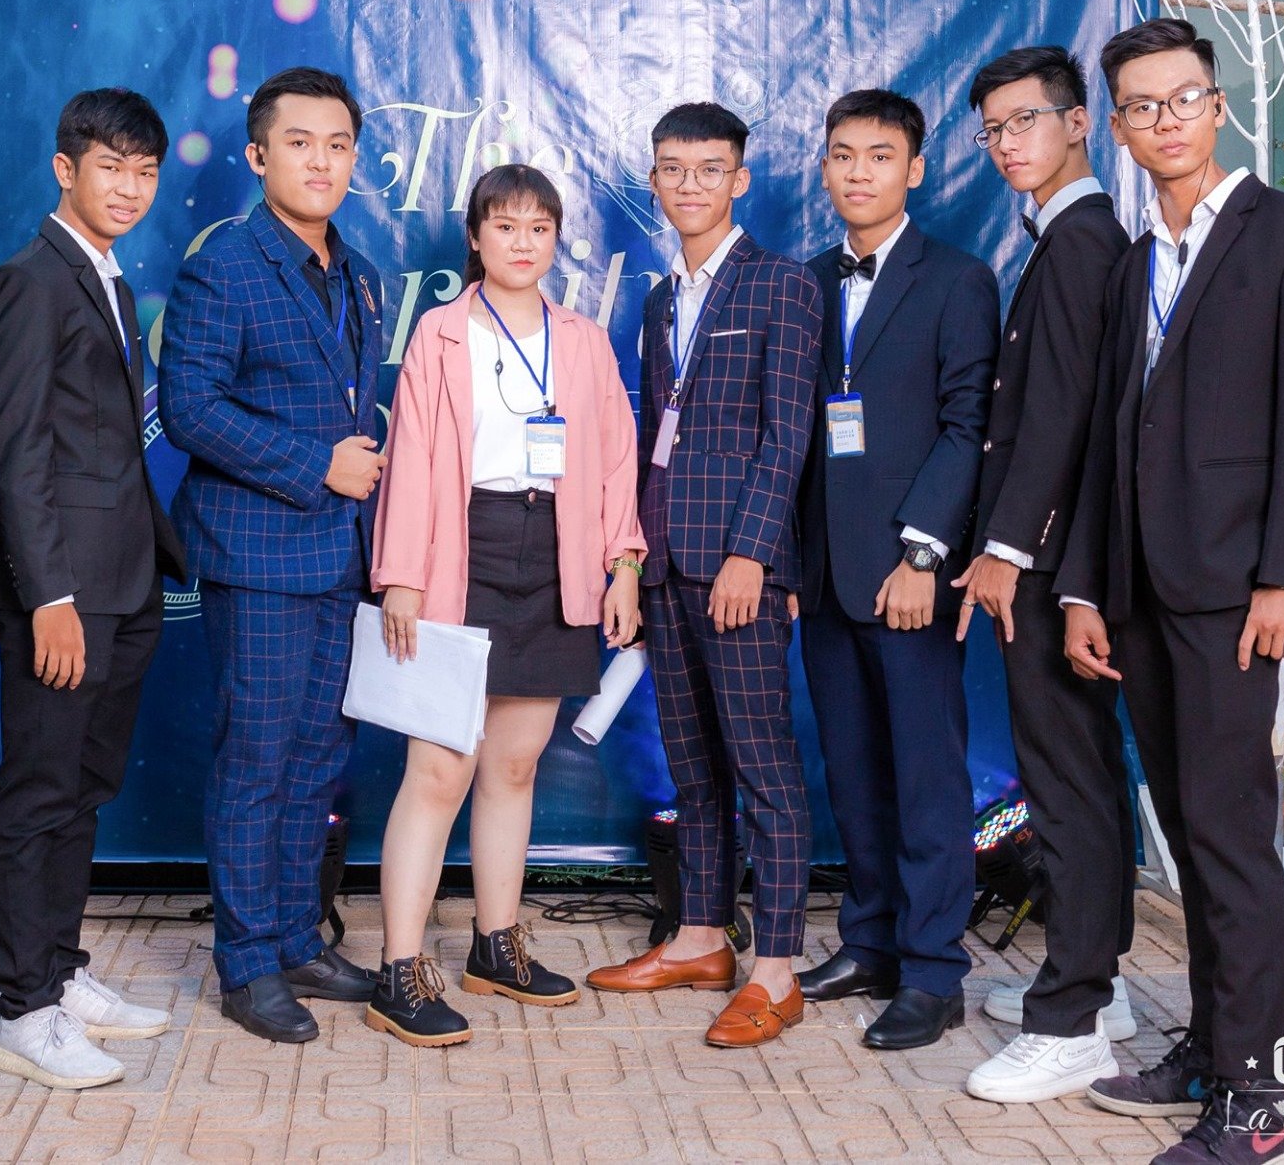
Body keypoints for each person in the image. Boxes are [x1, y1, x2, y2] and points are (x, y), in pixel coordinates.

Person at [1059, 18, 1284, 1165]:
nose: (1160, 122)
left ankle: (1256, 1096)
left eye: (1178, 99)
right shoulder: (1137, 259)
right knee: (1183, 837)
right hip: (1138, 588)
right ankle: (1210, 1047)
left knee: (1228, 839)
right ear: (1120, 127)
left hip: (1236, 592)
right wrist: (1084, 588)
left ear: (1215, 105)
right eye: (1137, 107)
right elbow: (1107, 441)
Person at [367, 164, 645, 1046]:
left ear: (556, 241)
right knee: (439, 769)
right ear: (477, 240)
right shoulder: (441, 336)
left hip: (557, 550)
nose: (523, 242)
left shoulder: (586, 342)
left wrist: (623, 563)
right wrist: (402, 573)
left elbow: (613, 464)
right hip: (463, 549)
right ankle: (400, 969)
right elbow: (410, 458)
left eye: (539, 228)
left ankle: (497, 943)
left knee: (515, 765)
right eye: (505, 226)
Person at [584, 102, 824, 1053]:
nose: (689, 184)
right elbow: (654, 441)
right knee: (693, 769)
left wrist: (752, 556)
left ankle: (776, 968)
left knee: (764, 768)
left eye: (708, 168)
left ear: (741, 180)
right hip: (667, 561)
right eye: (672, 169)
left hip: (737, 568)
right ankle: (697, 939)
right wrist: (635, 558)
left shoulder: (784, 286)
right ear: (654, 179)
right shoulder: (656, 302)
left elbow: (789, 433)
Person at [159, 66, 388, 1043]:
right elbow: (190, 409)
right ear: (259, 157)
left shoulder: (359, 272)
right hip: (258, 555)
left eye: (337, 145)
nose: (321, 161)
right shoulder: (225, 266)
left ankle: (296, 934)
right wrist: (316, 465)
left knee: (314, 757)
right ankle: (246, 961)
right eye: (300, 143)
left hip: (338, 561)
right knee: (255, 758)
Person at [0, 88, 190, 1087]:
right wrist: (47, 594)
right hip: (65, 595)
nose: (129, 188)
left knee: (82, 790)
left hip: (124, 582)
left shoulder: (104, 275)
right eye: (110, 167)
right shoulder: (32, 279)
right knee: (37, 794)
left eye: (143, 172)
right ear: (65, 168)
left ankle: (58, 973)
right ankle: (22, 1010)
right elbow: (15, 451)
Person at [794, 88, 999, 1051]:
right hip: (828, 577)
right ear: (825, 168)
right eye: (843, 155)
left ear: (915, 169)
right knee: (855, 771)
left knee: (925, 777)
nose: (860, 171)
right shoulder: (805, 281)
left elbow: (969, 429)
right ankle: (870, 940)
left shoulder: (958, 280)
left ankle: (932, 969)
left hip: (906, 574)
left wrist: (924, 552)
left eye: (880, 155)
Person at [955, 46, 1140, 1104]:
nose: (1005, 144)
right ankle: (1097, 981)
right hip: (1063, 555)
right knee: (1079, 773)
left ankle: (1069, 1014)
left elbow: (1059, 416)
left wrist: (1006, 548)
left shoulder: (1076, 243)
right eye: (991, 130)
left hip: (1049, 562)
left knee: (1064, 779)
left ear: (1076, 124)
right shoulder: (1065, 237)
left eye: (1023, 122)